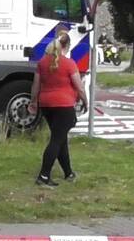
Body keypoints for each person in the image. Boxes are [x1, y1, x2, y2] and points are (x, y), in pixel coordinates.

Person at [28, 31, 89, 188]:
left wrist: (33, 101)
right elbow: (79, 87)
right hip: (64, 105)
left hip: (47, 105)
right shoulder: (69, 64)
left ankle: (68, 173)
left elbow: (36, 85)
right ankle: (43, 176)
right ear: (66, 47)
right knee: (56, 140)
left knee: (60, 139)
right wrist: (85, 101)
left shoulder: (42, 63)